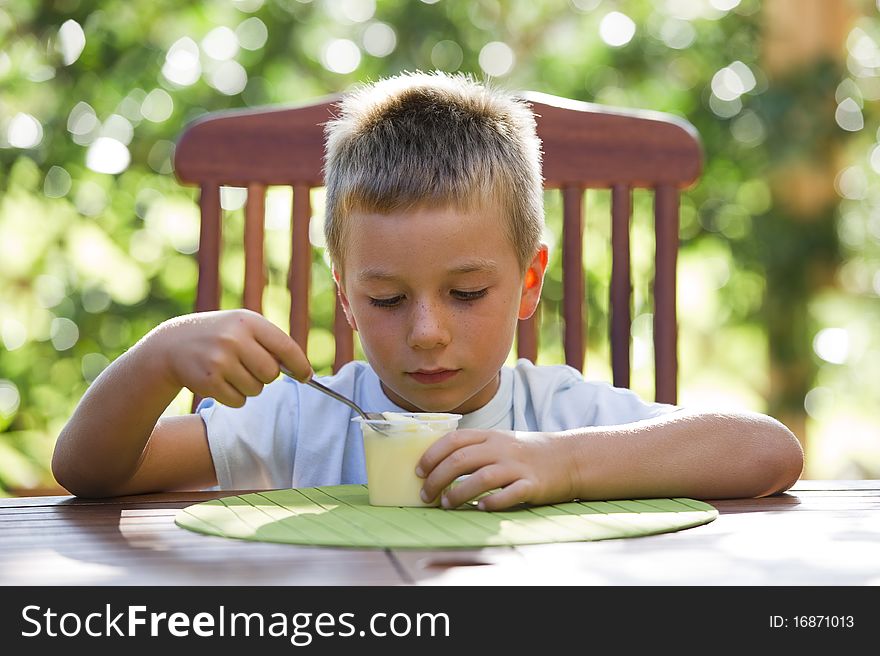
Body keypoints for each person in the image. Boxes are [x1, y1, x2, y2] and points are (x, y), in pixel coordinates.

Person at [52, 71, 804, 510]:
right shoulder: (302, 424)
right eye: (385, 300)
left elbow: (765, 451)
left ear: (528, 282)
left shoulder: (558, 416)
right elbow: (90, 473)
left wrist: (564, 465)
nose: (428, 333)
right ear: (344, 295)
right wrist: (155, 358)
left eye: (468, 292)